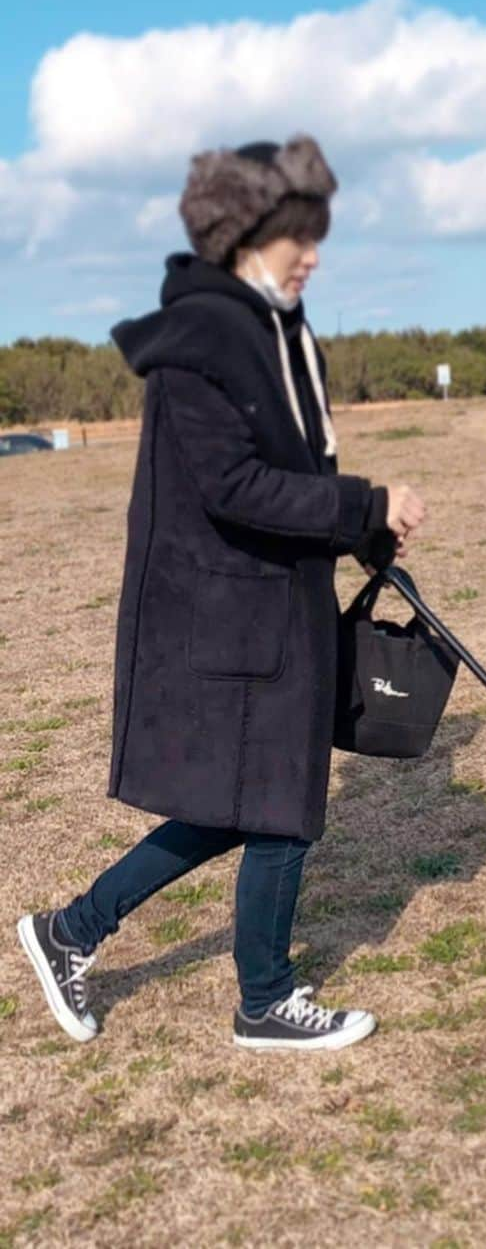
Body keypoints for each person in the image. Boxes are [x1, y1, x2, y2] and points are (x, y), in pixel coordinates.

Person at [18, 135, 426, 1052]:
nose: (314, 255)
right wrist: (363, 503)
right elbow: (234, 488)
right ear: (247, 238)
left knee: (242, 803)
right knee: (281, 806)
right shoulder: (202, 343)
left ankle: (70, 930)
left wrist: (362, 526)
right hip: (231, 612)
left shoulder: (279, 331)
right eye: (299, 238)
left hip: (281, 601)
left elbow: (293, 470)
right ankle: (264, 1001)